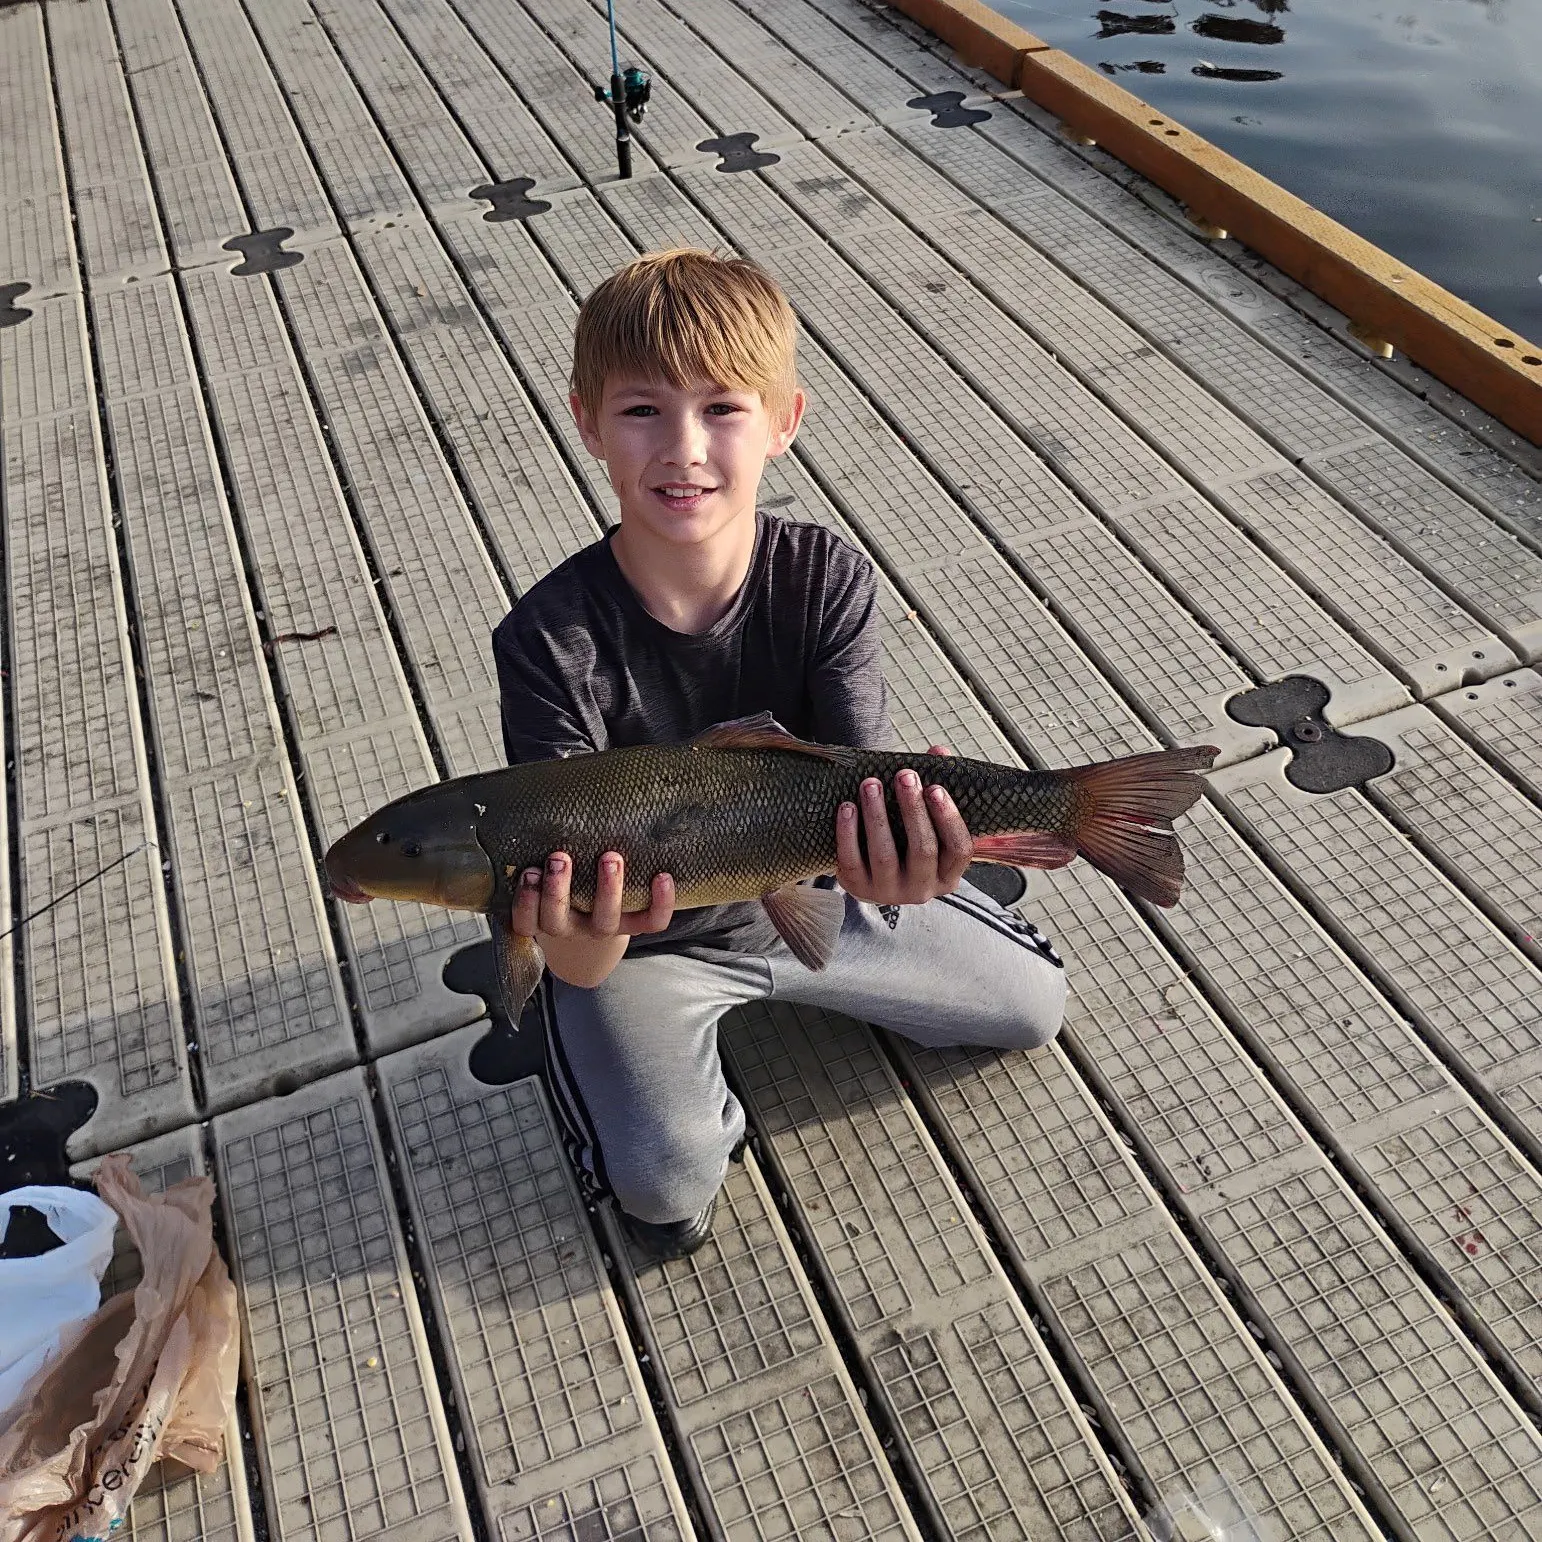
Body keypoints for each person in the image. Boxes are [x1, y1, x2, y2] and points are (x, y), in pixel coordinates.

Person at [492, 249, 1067, 1261]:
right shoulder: (546, 641)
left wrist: (909, 867)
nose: (683, 449)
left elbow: (860, 793)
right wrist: (571, 943)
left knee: (1034, 1008)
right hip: (644, 948)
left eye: (722, 408)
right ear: (587, 422)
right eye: (641, 411)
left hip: (814, 890)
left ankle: (1028, 847)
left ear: (783, 421)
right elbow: (581, 949)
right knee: (661, 1189)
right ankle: (615, 1065)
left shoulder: (826, 576)